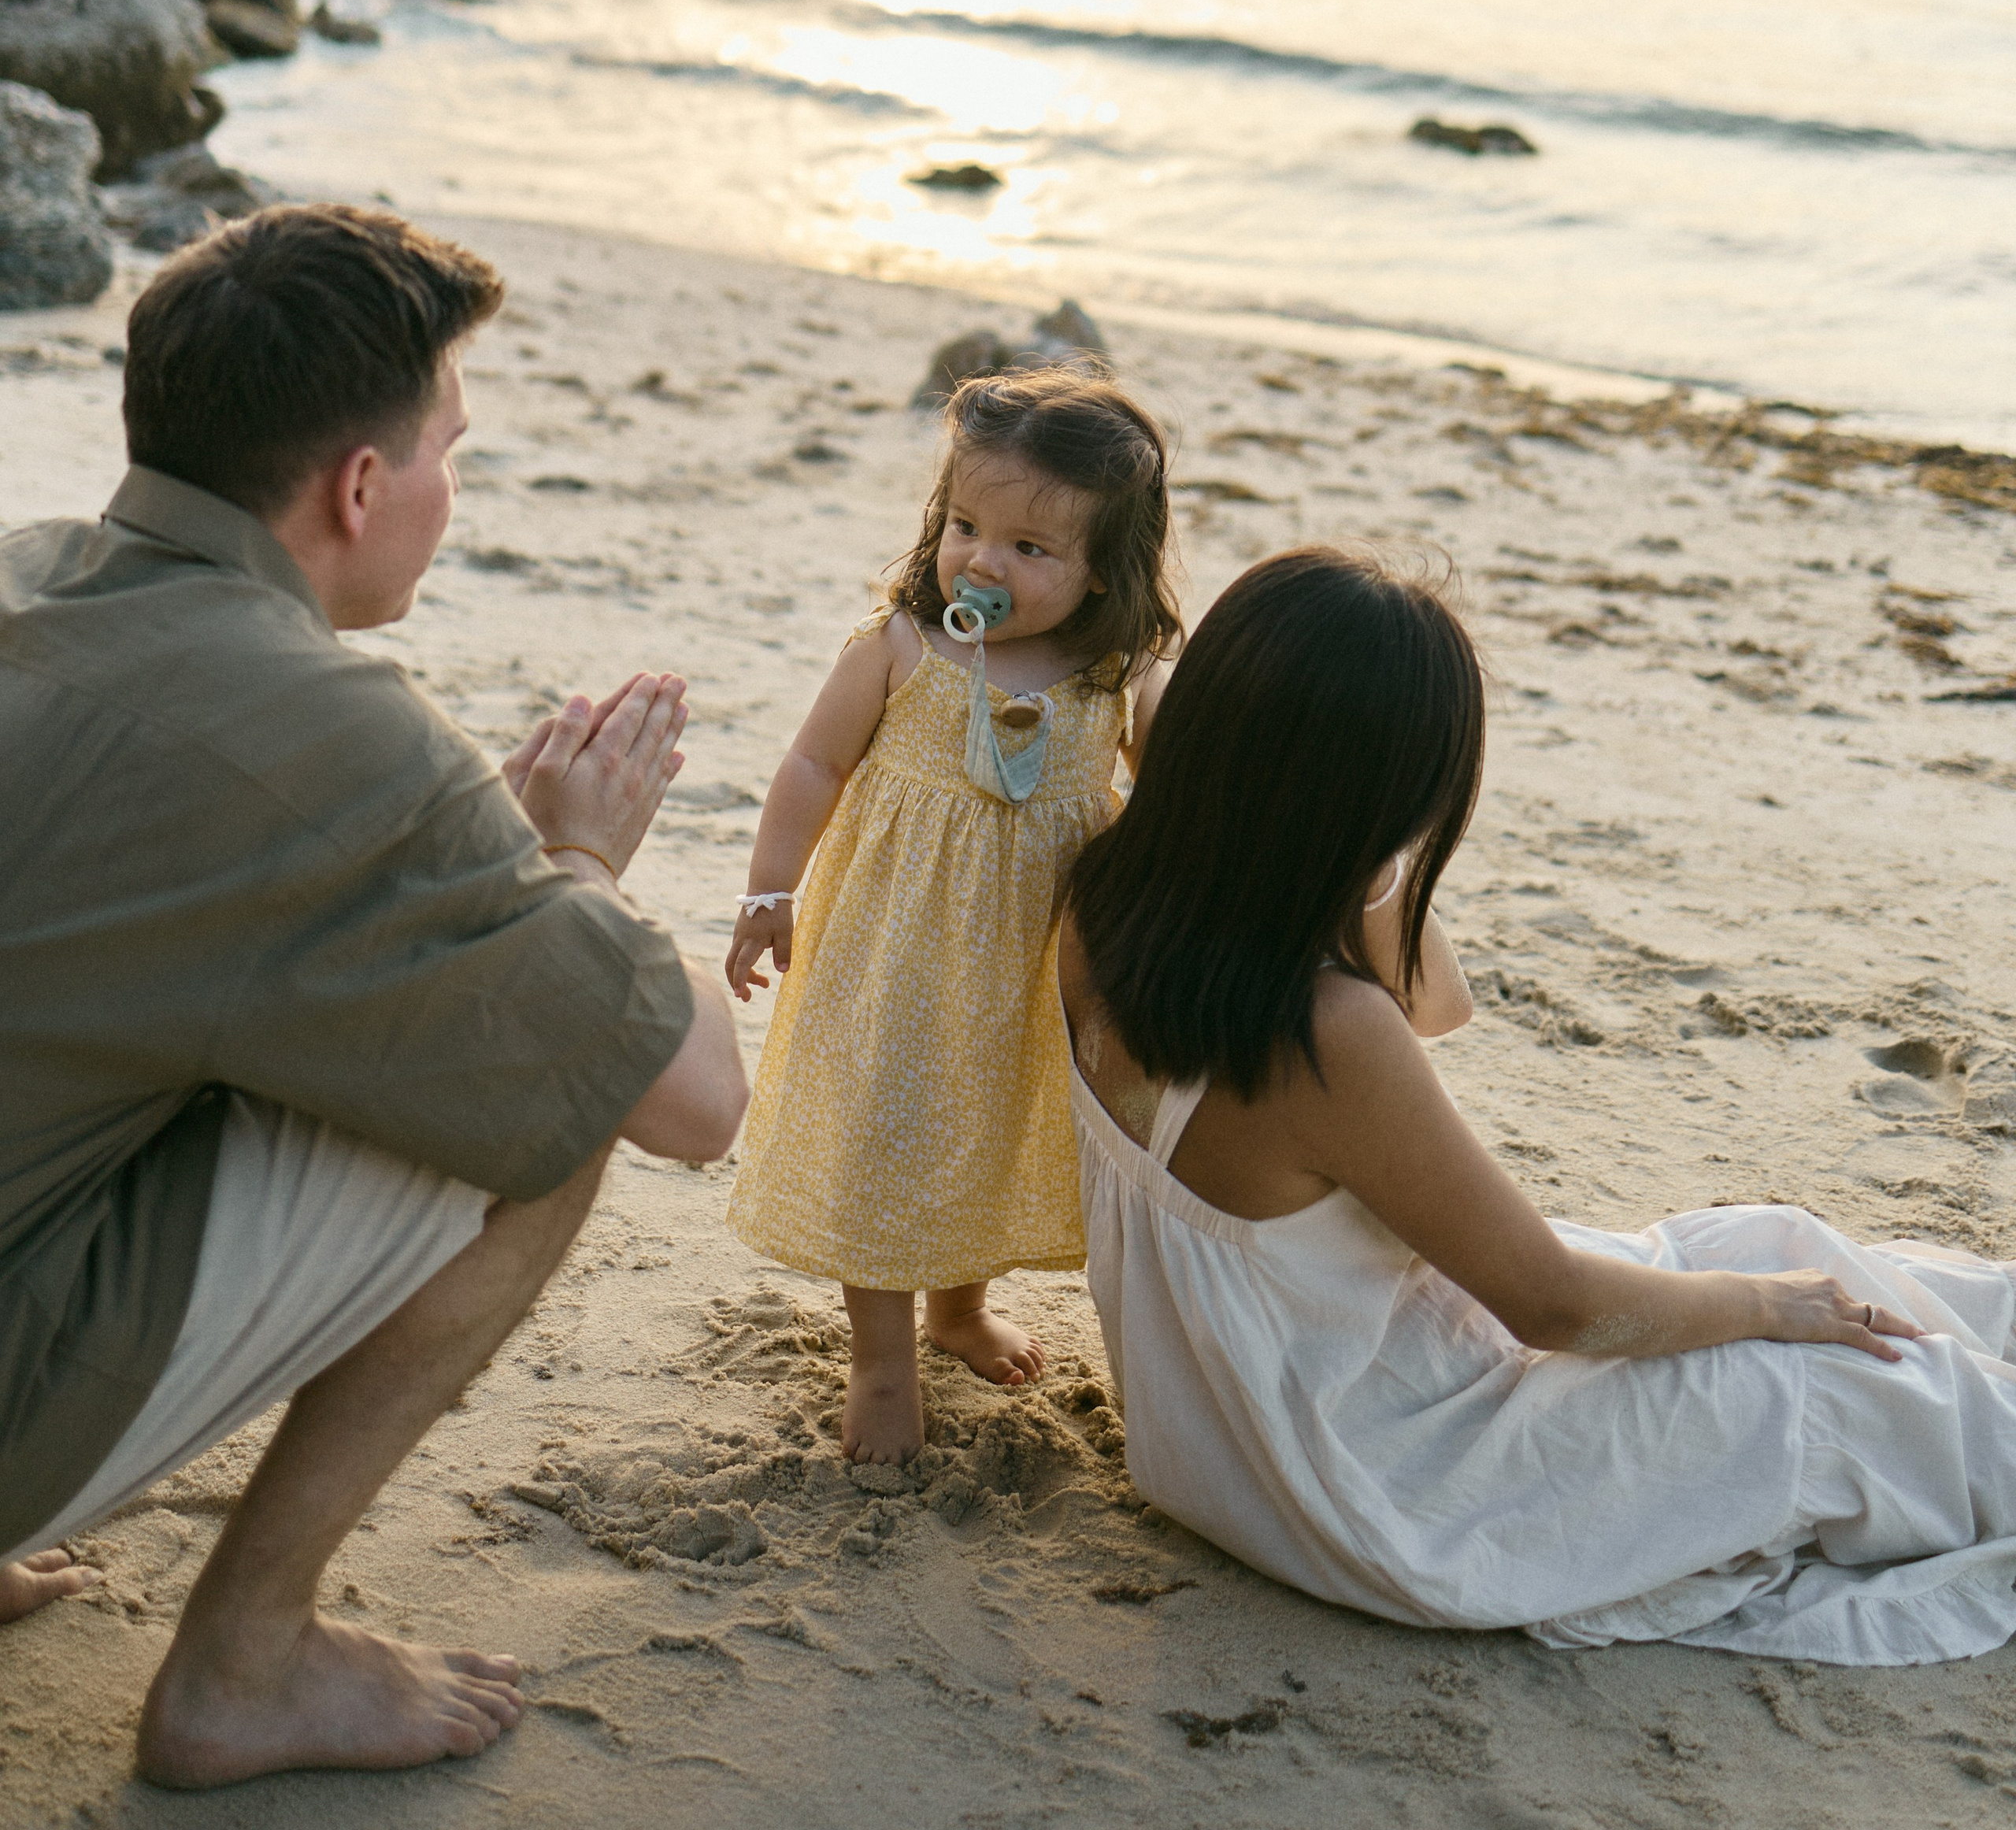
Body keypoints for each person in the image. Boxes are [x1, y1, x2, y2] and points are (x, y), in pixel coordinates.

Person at [0, 205, 748, 1787]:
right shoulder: (334, 737)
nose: (450, 489)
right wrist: (575, 872)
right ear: (359, 486)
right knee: (559, 1092)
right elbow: (691, 1092)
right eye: (446, 452)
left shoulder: (24, 578)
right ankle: (247, 1662)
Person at [1062, 544, 2016, 1665]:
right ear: (1376, 809)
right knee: (1824, 1379)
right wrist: (1769, 1309)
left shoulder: (1112, 897)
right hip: (1385, 1489)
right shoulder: (1325, 1033)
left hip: (1241, 1444)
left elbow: (1438, 1004)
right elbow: (1552, 1306)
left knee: (1777, 1241)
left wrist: (1244, 782)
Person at [723, 367, 1181, 1463]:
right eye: (967, 526)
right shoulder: (901, 647)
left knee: (984, 1123)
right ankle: (881, 1361)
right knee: (885, 1136)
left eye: (1032, 548)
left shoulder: (1113, 672)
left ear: (1106, 569)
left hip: (1033, 967)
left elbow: (1178, 780)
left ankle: (960, 1309)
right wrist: (769, 889)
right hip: (893, 952)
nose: (982, 560)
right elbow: (809, 764)